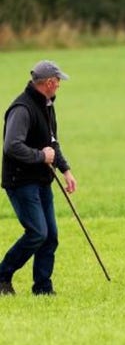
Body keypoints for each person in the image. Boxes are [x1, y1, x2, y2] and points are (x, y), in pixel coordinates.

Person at [0, 60, 77, 296]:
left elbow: (51, 141)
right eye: (58, 82)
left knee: (50, 236)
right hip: (21, 181)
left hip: (41, 180)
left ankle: (43, 287)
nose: (60, 86)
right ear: (49, 83)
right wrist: (40, 156)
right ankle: (2, 276)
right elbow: (11, 146)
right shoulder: (22, 109)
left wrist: (65, 169)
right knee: (37, 233)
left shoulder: (46, 105)